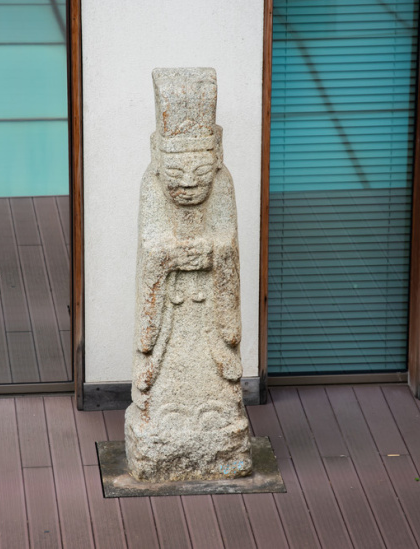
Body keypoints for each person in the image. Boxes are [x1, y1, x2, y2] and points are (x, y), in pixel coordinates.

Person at [124, 68, 252, 482]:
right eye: (176, 175)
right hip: (171, 306)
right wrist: (172, 256)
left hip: (208, 301)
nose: (188, 186)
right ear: (158, 161)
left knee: (215, 373)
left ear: (215, 160)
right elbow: (150, 248)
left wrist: (214, 252)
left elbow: (229, 244)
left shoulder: (224, 184)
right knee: (163, 369)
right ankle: (161, 412)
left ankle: (218, 414)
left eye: (199, 174)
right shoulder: (150, 185)